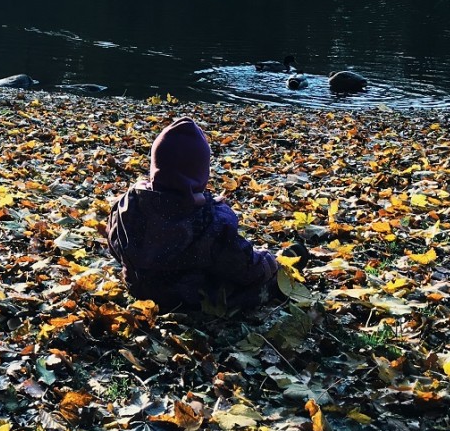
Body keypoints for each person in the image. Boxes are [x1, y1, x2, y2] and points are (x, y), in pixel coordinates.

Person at [105, 116, 309, 312]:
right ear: (201, 175)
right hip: (192, 300)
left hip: (140, 288)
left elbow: (114, 244)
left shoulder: (127, 205)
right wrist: (267, 261)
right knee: (258, 285)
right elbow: (246, 269)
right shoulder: (211, 222)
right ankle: (283, 262)